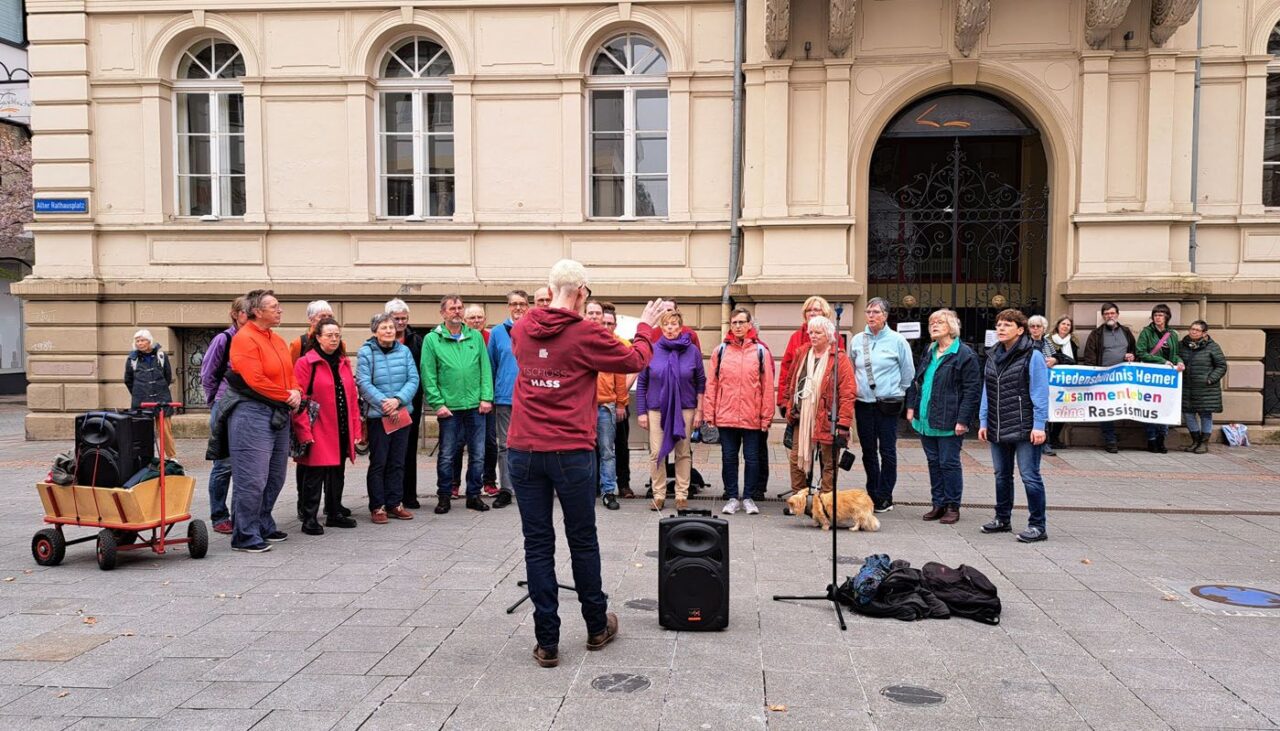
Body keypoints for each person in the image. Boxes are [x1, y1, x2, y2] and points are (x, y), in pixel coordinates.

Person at [506, 258, 667, 668]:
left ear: (551, 287)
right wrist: (646, 326)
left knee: (537, 543)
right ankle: (596, 626)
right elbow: (633, 360)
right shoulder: (585, 333)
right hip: (570, 450)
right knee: (582, 539)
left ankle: (547, 643)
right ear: (581, 293)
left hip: (523, 449)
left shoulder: (522, 327)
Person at [226, 289, 300, 553]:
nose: (280, 310)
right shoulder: (244, 339)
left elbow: (289, 372)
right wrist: (286, 395)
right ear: (257, 311)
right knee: (252, 478)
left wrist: (296, 391)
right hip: (252, 413)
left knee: (275, 475)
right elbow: (254, 379)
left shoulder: (277, 340)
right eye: (274, 306)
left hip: (278, 412)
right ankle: (244, 534)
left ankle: (263, 522)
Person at [978, 309, 1050, 543]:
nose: (1000, 328)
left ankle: (1037, 525)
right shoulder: (992, 355)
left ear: (1020, 330)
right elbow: (987, 390)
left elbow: (1040, 392)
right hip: (998, 423)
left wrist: (1039, 425)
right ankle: (1002, 518)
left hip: (1025, 425)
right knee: (1001, 475)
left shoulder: (1033, 356)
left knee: (1030, 476)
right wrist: (983, 420)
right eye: (998, 324)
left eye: (1007, 325)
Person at [905, 309, 981, 525]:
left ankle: (952, 506)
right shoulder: (930, 350)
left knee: (949, 463)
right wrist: (911, 406)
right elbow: (917, 380)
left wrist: (963, 420)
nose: (934, 326)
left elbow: (972, 391)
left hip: (949, 419)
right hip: (926, 418)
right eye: (931, 323)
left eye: (939, 322)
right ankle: (938, 503)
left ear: (951, 327)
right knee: (933, 462)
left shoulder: (965, 354)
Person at [421, 295, 494, 514]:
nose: (457, 311)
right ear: (443, 312)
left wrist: (486, 397)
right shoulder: (432, 339)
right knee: (447, 454)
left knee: (478, 454)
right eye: (452, 308)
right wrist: (438, 403)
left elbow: (485, 369)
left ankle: (474, 494)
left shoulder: (475, 337)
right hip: (449, 408)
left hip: (475, 406)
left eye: (460, 308)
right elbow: (428, 373)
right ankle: (444, 495)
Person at [292, 317, 362, 534]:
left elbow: (351, 398)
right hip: (318, 427)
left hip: (340, 426)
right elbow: (299, 401)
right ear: (318, 338)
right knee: (314, 475)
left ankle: (334, 513)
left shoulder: (343, 361)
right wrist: (304, 430)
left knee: (337, 472)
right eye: (329, 335)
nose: (334, 339)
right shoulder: (306, 362)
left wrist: (356, 429)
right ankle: (309, 518)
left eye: (337, 335)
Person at [705, 307, 774, 516]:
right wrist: (709, 413)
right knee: (729, 457)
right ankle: (733, 496)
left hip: (751, 416)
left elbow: (767, 386)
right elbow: (712, 384)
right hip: (726, 415)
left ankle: (749, 497)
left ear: (749, 325)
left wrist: (766, 416)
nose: (737, 326)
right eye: (734, 323)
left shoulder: (760, 352)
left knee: (752, 459)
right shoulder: (721, 351)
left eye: (741, 322)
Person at [637, 309, 707, 512]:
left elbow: (701, 382)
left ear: (680, 326)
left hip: (685, 408)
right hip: (656, 409)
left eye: (674, 324)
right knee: (657, 452)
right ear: (661, 327)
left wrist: (700, 410)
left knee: (682, 452)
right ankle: (659, 494)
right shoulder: (652, 349)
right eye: (666, 324)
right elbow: (642, 383)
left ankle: (681, 495)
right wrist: (641, 412)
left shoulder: (692, 351)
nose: (670, 328)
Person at [850, 297, 915, 512]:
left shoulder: (898, 341)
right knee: (868, 450)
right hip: (863, 403)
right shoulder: (858, 340)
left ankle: (885, 494)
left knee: (887, 450)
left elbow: (908, 373)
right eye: (868, 312)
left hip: (887, 404)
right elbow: (852, 369)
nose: (870, 315)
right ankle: (872, 492)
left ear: (885, 315)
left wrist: (898, 392)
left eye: (875, 312)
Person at [780, 315, 855, 501]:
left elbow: (848, 392)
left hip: (828, 418)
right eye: (811, 332)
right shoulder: (802, 353)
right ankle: (800, 499)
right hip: (801, 416)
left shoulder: (839, 358)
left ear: (828, 335)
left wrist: (843, 423)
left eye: (818, 332)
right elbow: (791, 381)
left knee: (829, 462)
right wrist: (788, 405)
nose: (813, 336)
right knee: (797, 458)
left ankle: (825, 502)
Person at [357, 313, 419, 524]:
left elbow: (413, 378)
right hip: (378, 416)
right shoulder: (366, 353)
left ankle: (395, 503)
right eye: (384, 327)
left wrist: (398, 400)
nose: (389, 331)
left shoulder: (405, 351)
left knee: (398, 461)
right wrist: (385, 403)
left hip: (401, 413)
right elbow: (364, 383)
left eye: (391, 327)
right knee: (379, 462)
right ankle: (378, 506)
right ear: (375, 331)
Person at [199, 297, 248, 534]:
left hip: (249, 405)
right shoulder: (224, 339)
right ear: (236, 314)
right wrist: (215, 402)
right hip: (225, 403)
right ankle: (219, 515)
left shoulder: (258, 339)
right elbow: (208, 372)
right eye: (247, 313)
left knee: (247, 464)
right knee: (224, 463)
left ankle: (244, 515)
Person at [487, 289, 529, 509]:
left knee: (532, 445)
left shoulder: (534, 330)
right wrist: (489, 396)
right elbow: (490, 366)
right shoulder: (497, 333)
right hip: (505, 398)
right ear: (508, 306)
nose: (518, 308)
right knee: (505, 445)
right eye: (514, 304)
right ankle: (506, 488)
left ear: (528, 305)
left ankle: (529, 486)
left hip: (532, 399)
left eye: (522, 303)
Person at [586, 299, 627, 510]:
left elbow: (620, 375)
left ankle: (609, 491)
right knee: (582, 450)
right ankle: (587, 489)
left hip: (605, 405)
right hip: (582, 406)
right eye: (590, 312)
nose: (594, 317)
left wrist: (621, 403)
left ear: (603, 317)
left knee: (607, 451)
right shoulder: (579, 339)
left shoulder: (611, 343)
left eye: (597, 313)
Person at [1080, 302, 1136, 453]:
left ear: (1117, 314)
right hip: (1103, 379)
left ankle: (1125, 437)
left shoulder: (1126, 332)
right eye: (1106, 314)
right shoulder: (1096, 334)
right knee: (1106, 409)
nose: (1109, 316)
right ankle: (1110, 439)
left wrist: (1132, 356)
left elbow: (1133, 350)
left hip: (1123, 379)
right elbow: (1089, 356)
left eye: (1112, 313)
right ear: (1103, 316)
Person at [387, 299, 425, 510]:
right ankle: (388, 493)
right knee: (387, 450)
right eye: (397, 318)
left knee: (409, 448)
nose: (401, 322)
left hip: (411, 402)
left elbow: (419, 372)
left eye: (404, 318)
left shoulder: (416, 340)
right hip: (385, 404)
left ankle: (408, 494)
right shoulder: (379, 339)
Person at [459, 303, 499, 497]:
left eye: (479, 317)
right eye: (472, 318)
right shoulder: (460, 337)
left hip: (487, 398)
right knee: (458, 443)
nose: (476, 321)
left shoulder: (491, 337)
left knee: (490, 442)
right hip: (462, 399)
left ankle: (489, 480)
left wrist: (489, 396)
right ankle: (453, 483)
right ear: (465, 321)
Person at [1135, 304, 1185, 454]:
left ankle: (1161, 438)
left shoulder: (1172, 335)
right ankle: (1151, 439)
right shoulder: (1146, 332)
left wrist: (1180, 361)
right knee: (1151, 408)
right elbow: (1141, 352)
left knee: (1165, 407)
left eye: (1161, 315)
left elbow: (1174, 354)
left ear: (1166, 317)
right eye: (1155, 315)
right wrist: (1161, 362)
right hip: (1150, 375)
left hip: (1166, 378)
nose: (1158, 317)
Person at [778, 297, 834, 418]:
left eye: (816, 310)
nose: (812, 313)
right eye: (809, 310)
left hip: (824, 402)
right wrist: (783, 400)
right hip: (799, 400)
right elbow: (786, 371)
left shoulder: (834, 337)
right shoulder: (796, 337)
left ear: (824, 313)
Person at [124, 329, 177, 459]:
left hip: (162, 399)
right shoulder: (132, 359)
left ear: (149, 341)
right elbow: (128, 380)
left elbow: (167, 377)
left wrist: (159, 389)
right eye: (137, 341)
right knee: (143, 432)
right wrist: (139, 393)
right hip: (141, 401)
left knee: (165, 431)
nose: (139, 343)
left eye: (142, 340)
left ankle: (171, 457)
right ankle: (145, 458)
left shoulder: (161, 356)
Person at [601, 304, 636, 499]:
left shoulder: (623, 345)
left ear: (615, 325)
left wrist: (620, 398)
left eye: (610, 323)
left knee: (620, 445)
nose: (606, 327)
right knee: (597, 447)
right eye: (603, 322)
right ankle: (599, 484)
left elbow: (633, 368)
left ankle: (623, 484)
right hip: (596, 403)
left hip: (618, 402)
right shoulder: (590, 342)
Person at [1179, 320, 1227, 454]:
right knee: (1188, 414)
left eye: (1197, 330)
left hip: (1206, 388)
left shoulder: (1212, 347)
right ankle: (1196, 440)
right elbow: (1175, 357)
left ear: (1204, 333)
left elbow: (1221, 366)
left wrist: (1211, 379)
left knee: (1205, 414)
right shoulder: (1182, 345)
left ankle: (1204, 443)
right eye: (1192, 329)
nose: (1193, 331)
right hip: (1187, 387)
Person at [1045, 315, 1078, 451]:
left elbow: (1073, 360)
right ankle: (1046, 439)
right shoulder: (1048, 340)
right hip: (1050, 382)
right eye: (1063, 323)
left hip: (1066, 382)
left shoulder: (1074, 342)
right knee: (1048, 409)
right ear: (1057, 325)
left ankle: (1054, 437)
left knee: (1063, 409)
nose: (1065, 326)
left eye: (1068, 325)